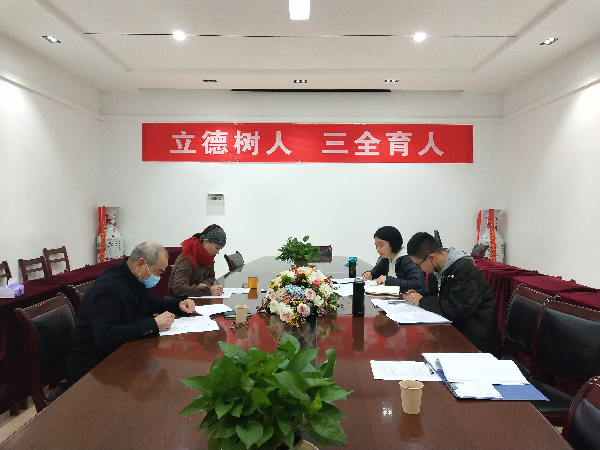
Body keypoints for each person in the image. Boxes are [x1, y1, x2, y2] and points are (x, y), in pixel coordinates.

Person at [65, 242, 196, 387]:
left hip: (122, 355)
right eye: (158, 272)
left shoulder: (132, 277)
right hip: (94, 370)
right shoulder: (107, 289)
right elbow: (107, 336)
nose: (159, 277)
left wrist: (178, 304)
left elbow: (150, 303)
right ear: (141, 264)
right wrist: (154, 324)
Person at [403, 232, 503, 356]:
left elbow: (456, 309)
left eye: (418, 265)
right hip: (453, 333)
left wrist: (422, 301)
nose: (420, 269)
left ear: (432, 258)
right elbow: (437, 296)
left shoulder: (464, 270)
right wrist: (420, 296)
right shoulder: (436, 269)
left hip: (476, 342)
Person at [362, 226, 427, 295]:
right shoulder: (387, 258)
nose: (377, 249)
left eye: (381, 245)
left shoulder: (408, 259)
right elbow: (377, 270)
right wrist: (370, 274)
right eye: (376, 246)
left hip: (409, 299)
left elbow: (417, 283)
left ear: (392, 243)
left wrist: (388, 280)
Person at [167, 224, 226, 299]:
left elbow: (211, 277)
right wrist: (207, 290)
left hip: (197, 299)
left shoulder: (208, 257)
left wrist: (203, 284)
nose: (217, 252)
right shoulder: (186, 259)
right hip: (178, 302)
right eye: (217, 248)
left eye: (220, 249)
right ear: (205, 242)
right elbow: (179, 288)